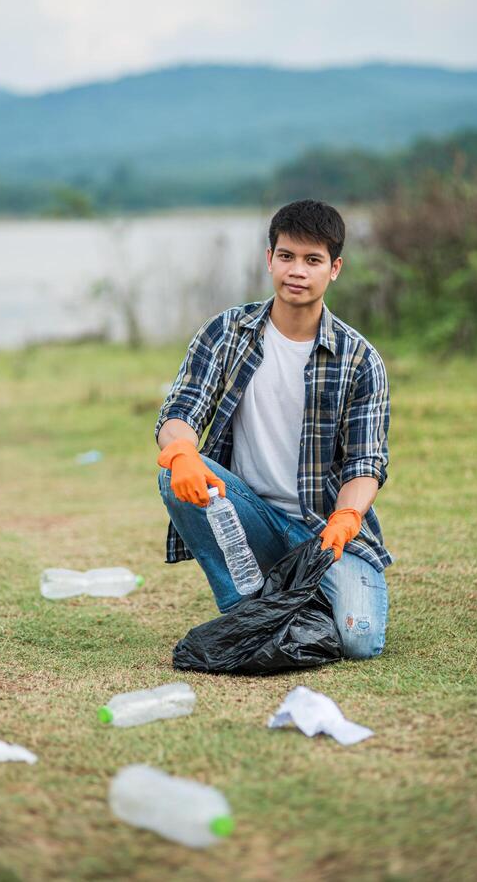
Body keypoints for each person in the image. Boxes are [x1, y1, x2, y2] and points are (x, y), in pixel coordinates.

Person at [155, 199, 391, 659]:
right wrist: (181, 452)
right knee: (173, 471)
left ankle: (291, 600)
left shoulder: (360, 359)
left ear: (334, 268)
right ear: (269, 260)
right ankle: (247, 606)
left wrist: (347, 518)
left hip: (323, 532)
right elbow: (181, 411)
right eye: (286, 256)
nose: (297, 270)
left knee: (359, 641)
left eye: (312, 260)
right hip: (249, 516)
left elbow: (366, 461)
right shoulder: (226, 332)